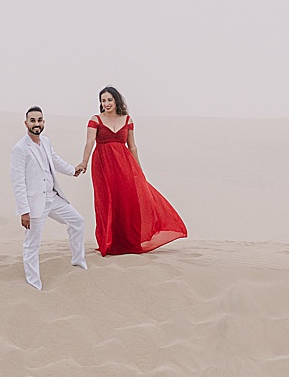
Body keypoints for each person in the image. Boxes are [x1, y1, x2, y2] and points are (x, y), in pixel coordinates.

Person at [75, 86, 187, 256]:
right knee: (107, 201)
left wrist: (139, 171)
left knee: (128, 201)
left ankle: (130, 242)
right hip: (103, 165)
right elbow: (90, 142)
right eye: (103, 101)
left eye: (109, 100)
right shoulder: (95, 119)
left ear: (116, 100)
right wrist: (84, 162)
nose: (106, 104)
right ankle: (109, 243)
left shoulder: (127, 120)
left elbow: (132, 147)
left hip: (125, 165)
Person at [10, 106, 88, 290]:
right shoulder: (20, 149)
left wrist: (73, 171)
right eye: (33, 121)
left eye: (39, 120)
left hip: (52, 198)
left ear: (43, 122)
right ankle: (33, 282)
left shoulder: (45, 141)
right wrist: (24, 211)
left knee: (77, 221)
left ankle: (78, 261)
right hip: (34, 204)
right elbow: (18, 182)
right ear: (26, 123)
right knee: (32, 244)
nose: (36, 124)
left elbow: (55, 160)